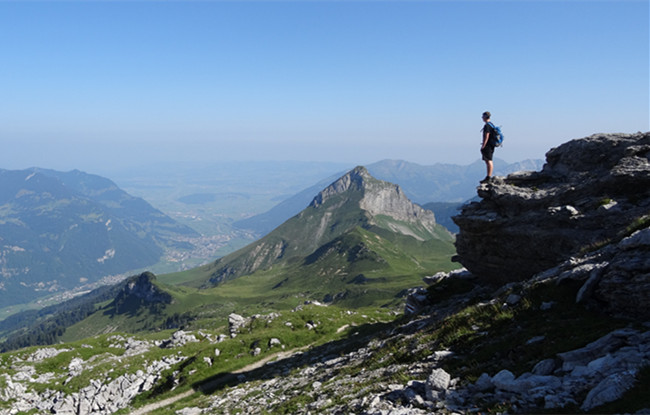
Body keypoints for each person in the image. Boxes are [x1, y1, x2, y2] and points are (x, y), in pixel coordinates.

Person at [480, 111, 496, 183]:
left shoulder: (487, 126)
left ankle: (489, 177)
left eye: (483, 116)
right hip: (491, 145)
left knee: (488, 160)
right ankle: (488, 176)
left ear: (486, 117)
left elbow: (487, 136)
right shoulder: (491, 125)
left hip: (488, 146)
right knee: (488, 160)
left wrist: (483, 145)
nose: (482, 118)